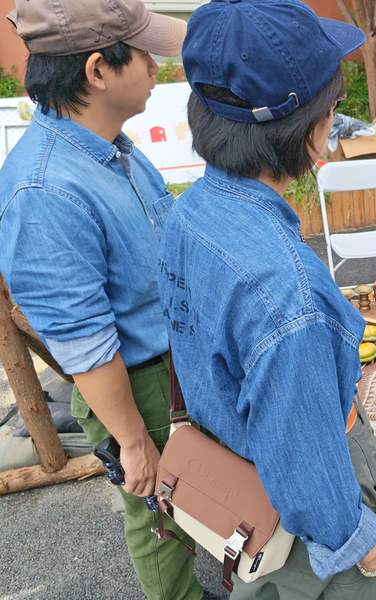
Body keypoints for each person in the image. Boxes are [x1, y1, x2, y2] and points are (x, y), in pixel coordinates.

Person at [158, 0, 376, 598]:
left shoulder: (188, 213)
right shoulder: (291, 297)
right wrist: (368, 546)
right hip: (294, 503)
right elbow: (306, 473)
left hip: (232, 467)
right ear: (316, 130)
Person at [0, 1, 213, 598]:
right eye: (143, 54)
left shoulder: (108, 144)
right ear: (98, 70)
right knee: (157, 515)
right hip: (133, 383)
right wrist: (132, 439)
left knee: (196, 494)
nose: (154, 66)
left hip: (169, 364)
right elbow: (83, 340)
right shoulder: (45, 189)